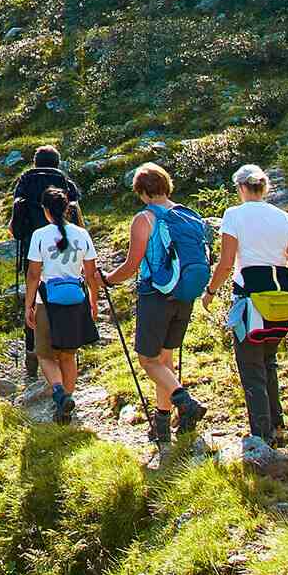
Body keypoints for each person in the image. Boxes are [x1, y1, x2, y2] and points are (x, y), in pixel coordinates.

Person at [103, 163, 208, 443]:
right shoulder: (187, 214)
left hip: (156, 294)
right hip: (185, 293)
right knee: (165, 360)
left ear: (142, 192)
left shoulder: (145, 219)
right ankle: (161, 426)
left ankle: (186, 403)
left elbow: (132, 264)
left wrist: (108, 280)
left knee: (148, 361)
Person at [202, 165, 288, 447]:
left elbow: (226, 263)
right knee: (268, 361)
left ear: (241, 187)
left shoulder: (234, 216)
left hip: (251, 300)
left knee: (250, 366)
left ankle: (261, 433)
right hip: (284, 300)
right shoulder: (284, 217)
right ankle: (277, 426)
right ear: (265, 187)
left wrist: (210, 292)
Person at [24, 188, 105, 424]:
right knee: (68, 356)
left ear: (46, 210)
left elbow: (33, 275)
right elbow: (91, 274)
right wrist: (93, 301)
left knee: (45, 354)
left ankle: (59, 393)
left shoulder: (40, 235)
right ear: (67, 206)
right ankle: (66, 404)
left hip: (47, 302)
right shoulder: (82, 234)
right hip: (75, 301)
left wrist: (28, 305)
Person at [9, 146, 84, 382]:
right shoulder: (64, 181)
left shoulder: (24, 181)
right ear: (57, 162)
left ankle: (32, 351)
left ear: (35, 162)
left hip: (34, 250)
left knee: (34, 302)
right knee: (63, 297)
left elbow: (14, 226)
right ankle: (66, 349)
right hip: (64, 252)